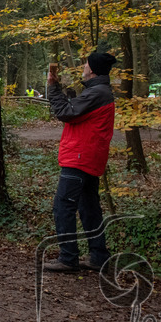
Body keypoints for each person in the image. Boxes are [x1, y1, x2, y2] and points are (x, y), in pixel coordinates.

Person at [43, 52, 117, 273]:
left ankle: (68, 257)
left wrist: (52, 88)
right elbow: (77, 111)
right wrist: (65, 91)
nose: (83, 66)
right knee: (89, 208)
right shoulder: (99, 92)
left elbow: (65, 112)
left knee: (63, 206)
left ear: (92, 69)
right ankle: (98, 257)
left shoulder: (97, 93)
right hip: (89, 157)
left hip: (79, 157)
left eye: (86, 63)